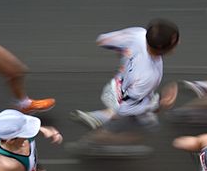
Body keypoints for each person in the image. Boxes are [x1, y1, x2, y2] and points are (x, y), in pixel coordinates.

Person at [67, 20, 179, 153]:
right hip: (123, 102)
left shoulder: (138, 34)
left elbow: (103, 40)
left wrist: (124, 51)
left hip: (115, 86)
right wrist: (161, 104)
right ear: (164, 49)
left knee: (147, 125)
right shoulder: (149, 75)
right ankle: (93, 137)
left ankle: (100, 120)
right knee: (138, 131)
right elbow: (127, 107)